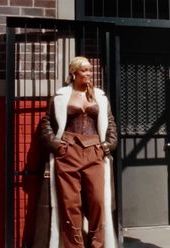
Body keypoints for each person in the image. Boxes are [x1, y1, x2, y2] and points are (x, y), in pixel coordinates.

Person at [40, 56, 117, 248]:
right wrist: (56, 145)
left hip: (94, 151)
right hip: (68, 151)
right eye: (85, 70)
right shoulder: (61, 96)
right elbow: (46, 122)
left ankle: (97, 244)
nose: (89, 74)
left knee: (98, 201)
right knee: (70, 203)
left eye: (90, 70)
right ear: (74, 73)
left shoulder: (99, 96)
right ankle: (74, 246)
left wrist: (108, 145)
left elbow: (111, 123)